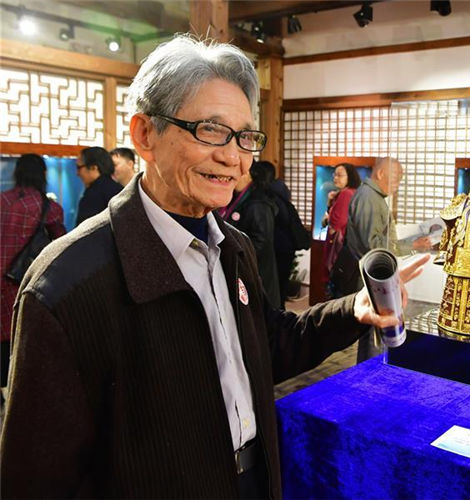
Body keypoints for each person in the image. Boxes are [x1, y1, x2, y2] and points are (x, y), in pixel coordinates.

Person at [0, 35, 429, 499]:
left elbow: (268, 346)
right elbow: (36, 479)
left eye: (245, 136)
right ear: (145, 134)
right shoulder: (65, 285)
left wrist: (352, 310)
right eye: (210, 129)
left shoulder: (233, 247)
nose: (233, 156)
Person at [335, 157, 431, 362]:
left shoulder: (373, 197)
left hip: (372, 278)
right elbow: (374, 246)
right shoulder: (369, 198)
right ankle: (372, 378)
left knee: (375, 333)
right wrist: (411, 246)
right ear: (380, 174)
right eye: (396, 180)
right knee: (376, 333)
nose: (397, 186)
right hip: (372, 279)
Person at [0, 154, 66, 399]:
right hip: (21, 283)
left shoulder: (2, 200)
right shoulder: (49, 207)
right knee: (20, 341)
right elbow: (61, 246)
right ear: (43, 174)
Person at [221, 161, 281, 309]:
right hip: (242, 267)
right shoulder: (238, 197)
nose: (230, 179)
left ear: (247, 174)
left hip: (256, 269)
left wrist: (236, 257)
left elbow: (261, 242)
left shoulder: (258, 203)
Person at [257, 161, 296, 308]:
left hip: (279, 247)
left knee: (275, 288)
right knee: (280, 286)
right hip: (286, 246)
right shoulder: (280, 189)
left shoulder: (269, 194)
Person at [322, 163, 361, 297]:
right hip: (350, 249)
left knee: (335, 292)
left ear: (349, 177)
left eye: (340, 175)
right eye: (334, 174)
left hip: (339, 249)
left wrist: (327, 217)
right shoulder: (354, 192)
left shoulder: (345, 194)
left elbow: (335, 223)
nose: (335, 178)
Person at [75, 146, 123, 225]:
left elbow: (85, 230)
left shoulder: (93, 195)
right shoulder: (120, 189)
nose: (77, 173)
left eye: (78, 167)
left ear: (94, 168)